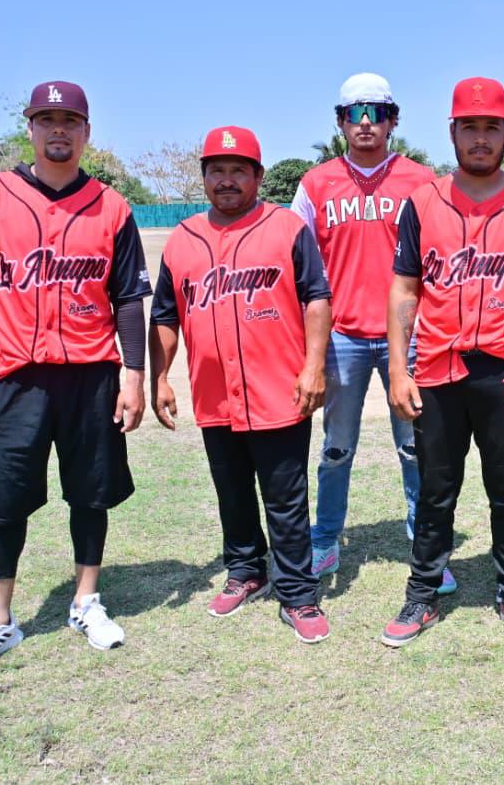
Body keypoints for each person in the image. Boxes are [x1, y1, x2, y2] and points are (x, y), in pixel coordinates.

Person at [0, 81, 152, 676]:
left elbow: (128, 300)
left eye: (69, 120)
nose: (58, 130)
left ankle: (86, 601)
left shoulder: (113, 207)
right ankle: (0, 620)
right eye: (47, 120)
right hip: (13, 375)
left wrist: (132, 376)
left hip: (92, 375)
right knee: (7, 502)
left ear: (86, 132)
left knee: (91, 493)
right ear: (31, 128)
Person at [380, 77, 504, 647]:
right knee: (436, 489)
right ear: (453, 132)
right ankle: (423, 592)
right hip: (438, 367)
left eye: (491, 128)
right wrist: (397, 369)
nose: (480, 139)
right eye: (469, 128)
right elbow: (404, 289)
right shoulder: (423, 200)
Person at [149, 126, 333, 640]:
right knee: (230, 490)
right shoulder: (182, 239)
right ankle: (246, 571)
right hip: (214, 389)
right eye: (217, 171)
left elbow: (317, 298)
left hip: (278, 388)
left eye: (238, 170)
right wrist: (160, 378)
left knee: (285, 496)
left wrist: (313, 366)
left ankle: (297, 592)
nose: (226, 181)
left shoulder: (288, 227)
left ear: (257, 176)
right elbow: (165, 315)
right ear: (204, 177)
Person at [289, 74, 443, 588]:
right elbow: (297, 264)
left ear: (393, 119)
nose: (364, 124)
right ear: (339, 122)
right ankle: (326, 539)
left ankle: (425, 543)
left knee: (415, 445)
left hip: (409, 336)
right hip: (343, 338)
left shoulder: (423, 181)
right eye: (353, 114)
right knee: (337, 446)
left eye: (375, 113)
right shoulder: (315, 184)